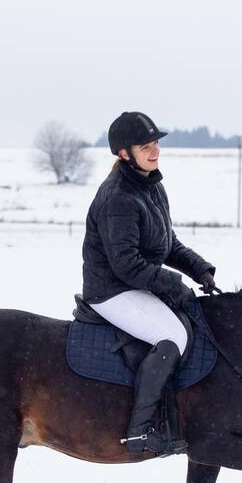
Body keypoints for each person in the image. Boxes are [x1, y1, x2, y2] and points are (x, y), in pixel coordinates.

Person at [82, 111, 217, 456]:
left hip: (137, 283)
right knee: (173, 336)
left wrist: (198, 268)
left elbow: (167, 244)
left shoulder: (152, 186)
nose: (154, 150)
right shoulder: (119, 197)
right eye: (146, 146)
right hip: (112, 290)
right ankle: (139, 431)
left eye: (156, 143)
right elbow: (125, 264)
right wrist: (174, 284)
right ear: (124, 153)